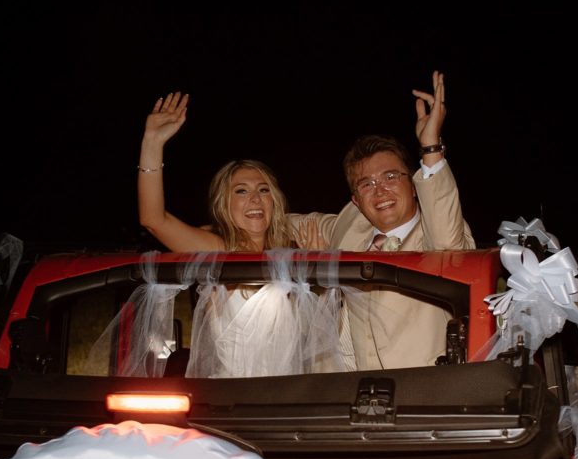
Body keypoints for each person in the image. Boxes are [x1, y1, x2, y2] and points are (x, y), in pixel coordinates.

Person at [290, 70, 476, 370]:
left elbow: (448, 239)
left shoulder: (437, 236)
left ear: (414, 184)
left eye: (391, 177)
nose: (380, 191)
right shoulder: (347, 227)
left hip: (421, 396)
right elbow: (282, 222)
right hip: (346, 397)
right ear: (356, 200)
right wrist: (219, 225)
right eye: (367, 184)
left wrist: (430, 149)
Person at [137, 92, 321, 252]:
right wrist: (153, 142)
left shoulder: (289, 251)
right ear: (224, 204)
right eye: (241, 190)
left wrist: (313, 267)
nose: (256, 198)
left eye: (264, 190)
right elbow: (153, 220)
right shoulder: (216, 249)